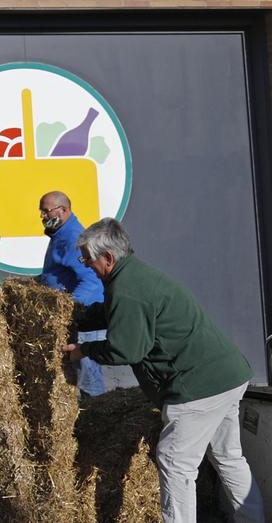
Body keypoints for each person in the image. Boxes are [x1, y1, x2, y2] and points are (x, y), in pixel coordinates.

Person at [62, 218, 263, 522]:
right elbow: (116, 314)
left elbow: (126, 349)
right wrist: (78, 318)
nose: (86, 265)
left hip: (197, 387)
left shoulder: (126, 288)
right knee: (228, 458)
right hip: (227, 375)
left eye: (87, 259)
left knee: (174, 461)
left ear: (108, 258)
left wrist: (83, 350)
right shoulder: (133, 275)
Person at [37, 191, 106, 397]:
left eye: (46, 211)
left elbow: (91, 280)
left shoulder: (73, 238)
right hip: (75, 321)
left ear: (63, 210)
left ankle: (95, 419)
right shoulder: (61, 234)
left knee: (88, 379)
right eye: (41, 212)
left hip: (84, 322)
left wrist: (69, 309)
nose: (42, 216)